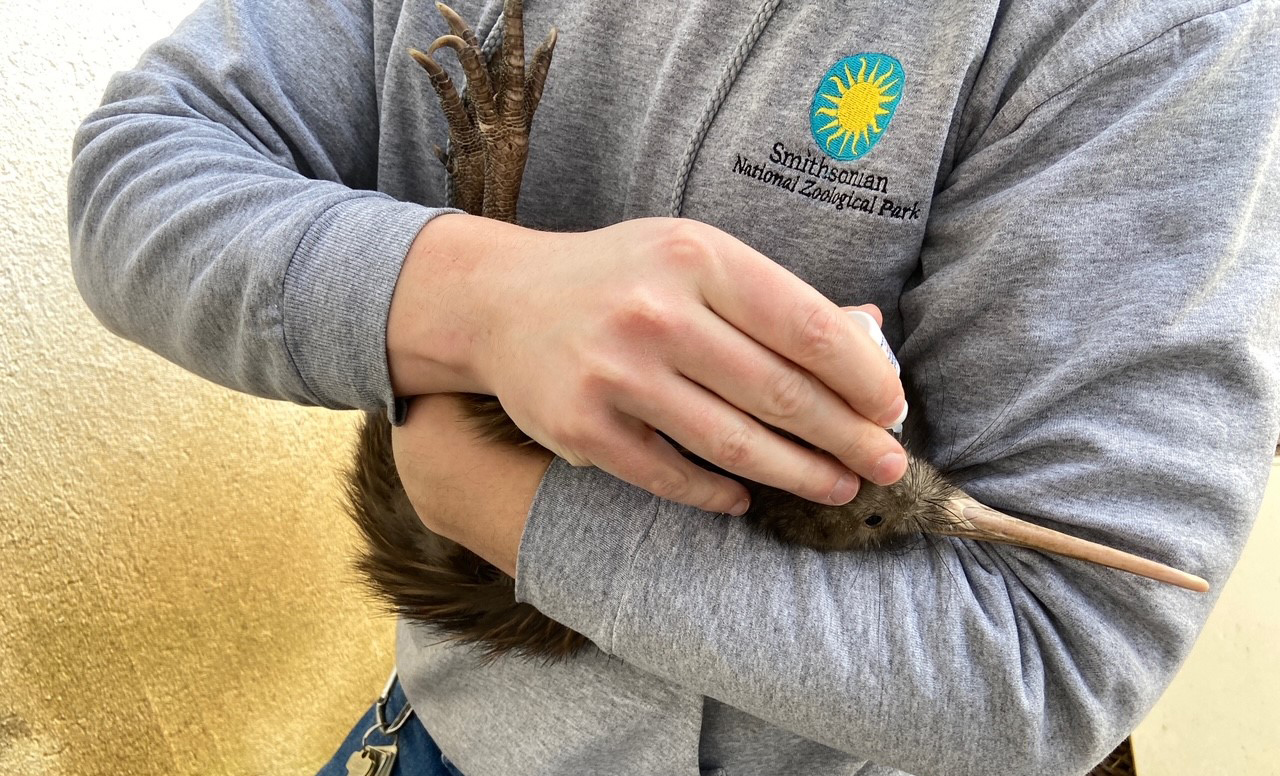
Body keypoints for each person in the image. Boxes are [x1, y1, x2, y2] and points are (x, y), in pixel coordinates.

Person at [68, 0, 1280, 774]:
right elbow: (141, 171)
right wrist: (473, 298)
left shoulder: (1153, 34)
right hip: (455, 733)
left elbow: (1050, 656)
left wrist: (502, 504)